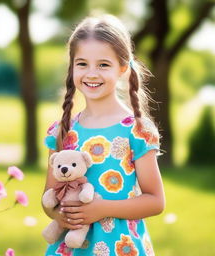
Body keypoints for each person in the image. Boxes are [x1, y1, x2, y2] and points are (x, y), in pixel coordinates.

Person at [42, 14, 165, 256]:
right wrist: (61, 217)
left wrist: (102, 209)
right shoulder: (62, 131)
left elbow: (155, 201)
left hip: (121, 247)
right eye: (82, 63)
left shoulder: (136, 130)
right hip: (71, 248)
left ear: (122, 67)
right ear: (72, 66)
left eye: (103, 64)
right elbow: (49, 198)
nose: (92, 73)